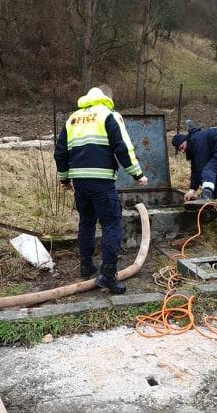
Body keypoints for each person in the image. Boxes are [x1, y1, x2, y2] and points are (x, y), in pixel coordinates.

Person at [54, 85, 148, 294]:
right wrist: (137, 174)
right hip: (102, 181)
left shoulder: (73, 119)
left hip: (80, 182)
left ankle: (86, 266)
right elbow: (123, 147)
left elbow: (60, 152)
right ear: (106, 99)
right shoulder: (109, 115)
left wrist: (64, 179)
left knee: (86, 222)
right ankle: (108, 275)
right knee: (111, 224)